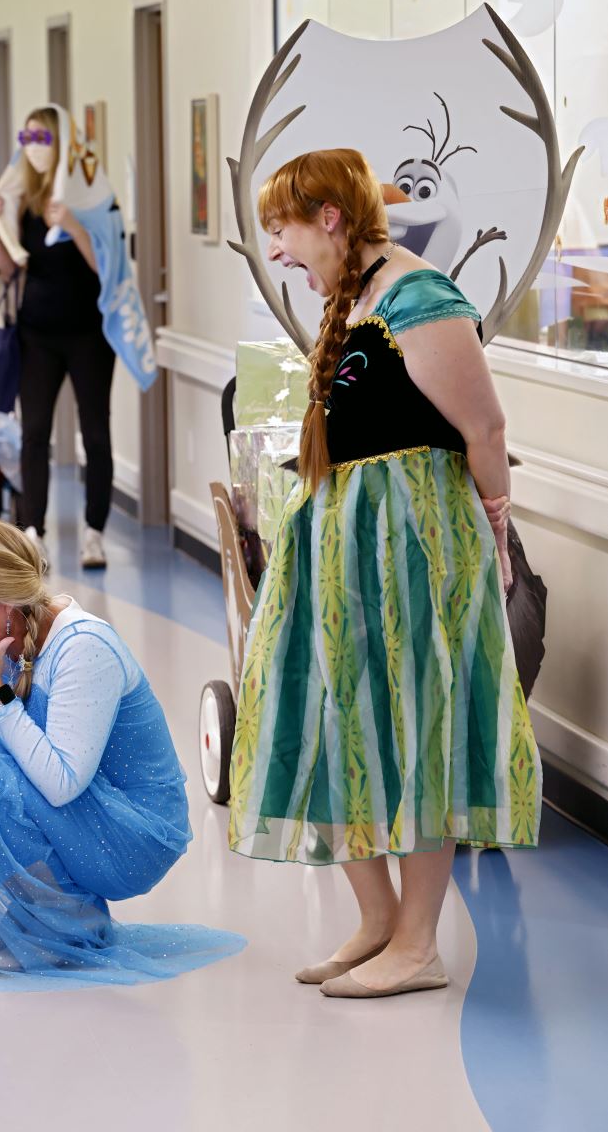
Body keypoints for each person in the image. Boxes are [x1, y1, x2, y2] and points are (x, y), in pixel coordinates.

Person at [228, 149, 541, 1000]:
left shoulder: (417, 296)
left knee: (413, 723)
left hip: (413, 542)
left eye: (282, 230)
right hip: (342, 541)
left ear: (329, 217)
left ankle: (418, 942)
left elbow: (483, 429)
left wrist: (495, 536)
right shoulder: (355, 297)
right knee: (336, 716)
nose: (278, 249)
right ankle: (374, 921)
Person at [0, 518, 243, 989]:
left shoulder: (84, 646)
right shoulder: (10, 630)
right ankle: (34, 922)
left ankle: (66, 924)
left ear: (3, 600)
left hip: (132, 833)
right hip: (88, 811)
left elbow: (61, 781)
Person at [0, 104, 156, 570]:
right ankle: (32, 534)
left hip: (88, 334)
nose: (33, 148)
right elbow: (6, 266)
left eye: (42, 138)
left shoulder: (95, 198)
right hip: (36, 333)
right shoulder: (23, 196)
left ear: (62, 142)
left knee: (94, 433)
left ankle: (94, 533)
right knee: (33, 434)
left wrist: (74, 226)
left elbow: (110, 269)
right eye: (27, 138)